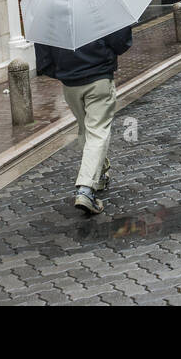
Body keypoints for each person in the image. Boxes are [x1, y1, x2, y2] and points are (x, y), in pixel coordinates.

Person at [35, 25, 133, 216]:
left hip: (70, 84)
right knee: (96, 132)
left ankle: (101, 173)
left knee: (86, 130)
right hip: (98, 79)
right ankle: (86, 190)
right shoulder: (97, 7)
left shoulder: (50, 16)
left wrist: (62, 72)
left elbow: (43, 57)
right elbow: (121, 42)